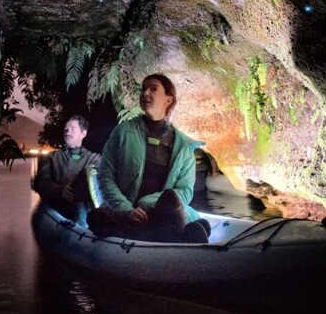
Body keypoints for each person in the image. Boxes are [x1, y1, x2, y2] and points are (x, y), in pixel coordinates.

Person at [87, 74, 211, 243]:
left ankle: (151, 234)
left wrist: (147, 204)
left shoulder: (184, 145)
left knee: (171, 198)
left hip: (161, 213)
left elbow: (185, 190)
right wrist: (127, 210)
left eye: (153, 89)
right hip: (126, 212)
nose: (145, 93)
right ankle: (172, 236)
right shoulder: (122, 132)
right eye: (143, 88)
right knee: (96, 216)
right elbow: (105, 177)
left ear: (168, 100)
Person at [32, 115, 101, 222]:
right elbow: (40, 183)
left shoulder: (94, 158)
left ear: (83, 133)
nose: (68, 132)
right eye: (66, 130)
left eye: (73, 129)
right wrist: (60, 190)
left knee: (90, 172)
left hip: (86, 208)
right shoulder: (52, 158)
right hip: (61, 209)